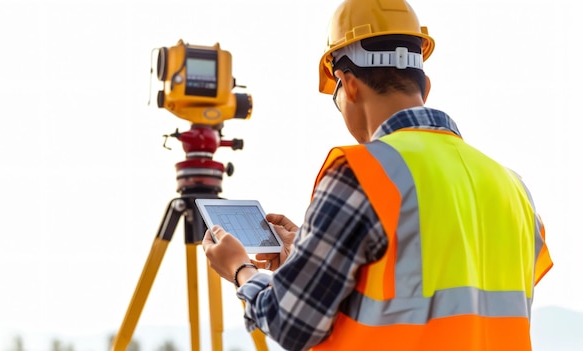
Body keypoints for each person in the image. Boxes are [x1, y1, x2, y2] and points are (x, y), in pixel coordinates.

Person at [202, 0, 553, 350]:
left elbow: (290, 322)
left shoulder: (362, 174)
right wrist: (308, 259)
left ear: (348, 84)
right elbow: (433, 296)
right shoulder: (514, 188)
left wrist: (240, 269)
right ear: (425, 86)